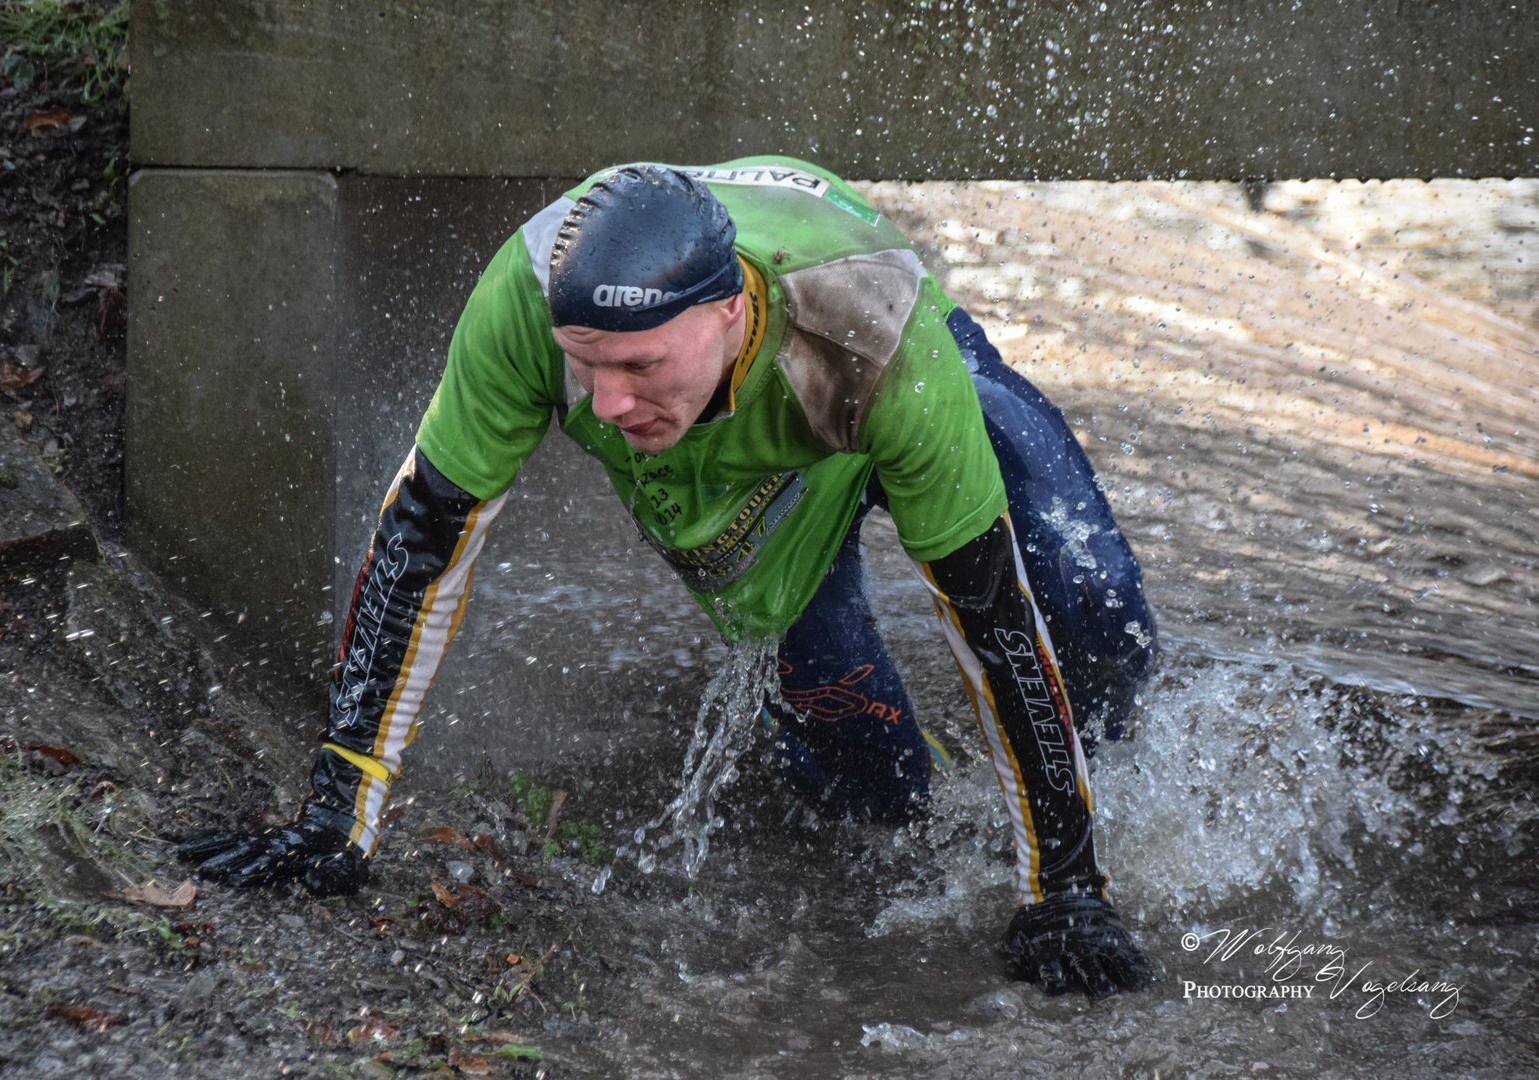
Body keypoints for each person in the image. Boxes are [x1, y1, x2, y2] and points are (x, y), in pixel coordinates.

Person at [180, 158, 1158, 1000]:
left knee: (1094, 604)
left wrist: (1066, 889)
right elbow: (422, 544)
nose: (605, 406)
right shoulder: (523, 302)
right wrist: (335, 819)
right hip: (755, 490)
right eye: (584, 367)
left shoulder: (872, 341)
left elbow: (989, 614)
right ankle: (902, 756)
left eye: (641, 366)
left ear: (729, 311)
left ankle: (1098, 781)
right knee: (878, 793)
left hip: (856, 349)